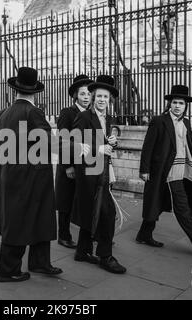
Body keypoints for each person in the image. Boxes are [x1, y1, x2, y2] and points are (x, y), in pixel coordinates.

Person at [0, 67, 79, 282]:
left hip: (9, 172)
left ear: (15, 89)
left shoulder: (3, 114)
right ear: (35, 91)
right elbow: (50, 142)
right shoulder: (33, 112)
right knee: (21, 220)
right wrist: (77, 147)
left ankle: (40, 262)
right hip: (31, 175)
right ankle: (8, 270)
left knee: (32, 217)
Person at [136, 85, 192, 256]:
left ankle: (144, 234)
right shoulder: (159, 121)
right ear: (169, 103)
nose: (177, 106)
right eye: (174, 102)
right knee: (182, 209)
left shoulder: (185, 122)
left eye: (181, 103)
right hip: (163, 172)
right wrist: (144, 170)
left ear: (185, 105)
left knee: (157, 204)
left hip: (182, 171)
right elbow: (148, 147)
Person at [72, 75, 127, 274]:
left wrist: (113, 142)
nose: (102, 100)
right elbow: (75, 144)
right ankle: (106, 256)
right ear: (94, 98)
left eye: (106, 97)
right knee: (107, 213)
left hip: (104, 172)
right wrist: (100, 148)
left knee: (93, 211)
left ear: (110, 99)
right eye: (99, 96)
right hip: (89, 173)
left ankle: (82, 251)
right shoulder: (85, 117)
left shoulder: (109, 118)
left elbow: (108, 145)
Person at [55, 75, 94, 249]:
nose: (86, 97)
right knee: (66, 201)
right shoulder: (68, 113)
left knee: (86, 200)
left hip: (87, 165)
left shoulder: (92, 113)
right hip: (70, 166)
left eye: (89, 94)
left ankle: (93, 233)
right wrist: (67, 166)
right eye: (83, 94)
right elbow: (62, 141)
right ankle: (63, 235)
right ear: (76, 95)